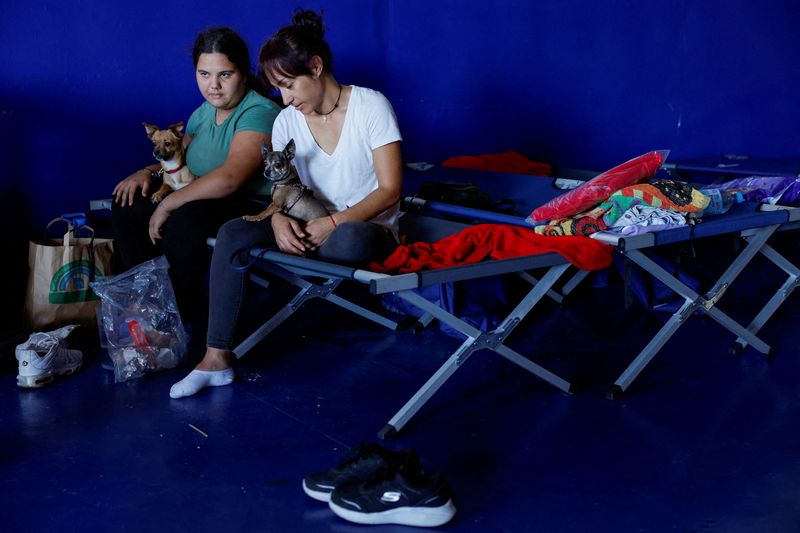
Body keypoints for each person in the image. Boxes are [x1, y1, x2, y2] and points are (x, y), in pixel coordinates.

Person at [169, 8, 403, 398]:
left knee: (348, 240)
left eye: (290, 85)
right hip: (304, 218)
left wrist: (330, 224)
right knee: (234, 231)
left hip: (364, 228)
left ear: (316, 66)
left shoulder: (370, 106)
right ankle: (216, 358)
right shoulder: (286, 122)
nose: (285, 98)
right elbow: (284, 187)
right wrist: (277, 222)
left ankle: (321, 247)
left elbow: (390, 191)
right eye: (278, 89)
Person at [111, 27, 281, 323]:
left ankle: (174, 319)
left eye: (224, 75)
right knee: (129, 202)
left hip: (249, 203)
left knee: (186, 216)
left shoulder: (259, 111)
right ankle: (143, 305)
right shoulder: (203, 113)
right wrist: (146, 172)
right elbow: (180, 156)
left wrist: (168, 203)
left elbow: (231, 177)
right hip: (201, 196)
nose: (213, 85)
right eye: (204, 74)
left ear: (242, 72)